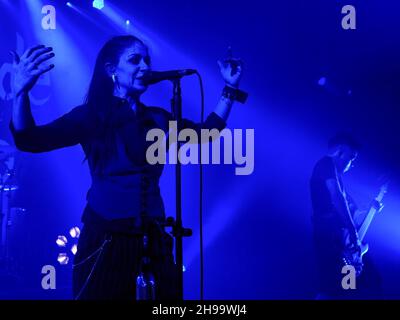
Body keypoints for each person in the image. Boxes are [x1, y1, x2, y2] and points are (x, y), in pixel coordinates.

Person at [8, 35, 245, 300]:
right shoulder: (91, 116)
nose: (145, 66)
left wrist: (229, 88)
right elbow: (30, 139)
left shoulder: (157, 118)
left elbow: (206, 133)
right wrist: (20, 93)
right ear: (111, 70)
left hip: (153, 236)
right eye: (134, 60)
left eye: (147, 60)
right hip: (106, 239)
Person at [310, 133, 383, 299]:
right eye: (352, 157)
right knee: (330, 287)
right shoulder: (325, 163)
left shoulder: (338, 180)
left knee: (339, 288)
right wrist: (353, 231)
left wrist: (371, 208)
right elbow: (336, 197)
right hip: (328, 235)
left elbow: (353, 215)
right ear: (339, 151)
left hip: (339, 238)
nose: (352, 163)